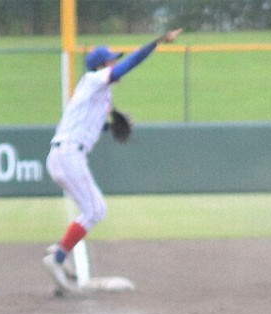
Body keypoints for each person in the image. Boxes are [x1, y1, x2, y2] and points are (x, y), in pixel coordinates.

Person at [43, 29, 183, 295]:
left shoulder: (98, 94)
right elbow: (126, 67)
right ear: (99, 66)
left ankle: (59, 253)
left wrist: (110, 128)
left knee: (91, 210)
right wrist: (155, 43)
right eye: (110, 61)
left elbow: (87, 125)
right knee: (96, 210)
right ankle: (58, 258)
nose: (114, 64)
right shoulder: (94, 79)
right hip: (69, 155)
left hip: (64, 154)